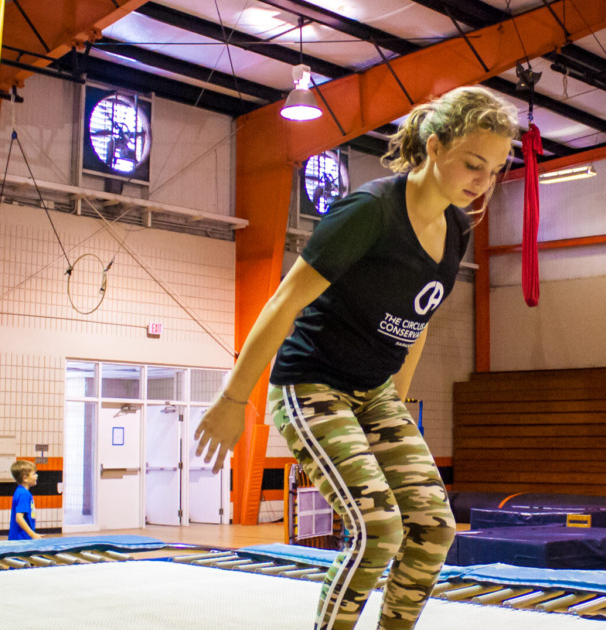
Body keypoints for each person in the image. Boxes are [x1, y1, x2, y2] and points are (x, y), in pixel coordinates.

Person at [194, 86, 518, 630]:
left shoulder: (457, 229)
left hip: (374, 393)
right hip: (312, 384)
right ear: (435, 146)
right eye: (472, 164)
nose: (482, 182)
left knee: (434, 529)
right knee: (379, 530)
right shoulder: (371, 212)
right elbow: (283, 303)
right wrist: (233, 400)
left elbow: (417, 321)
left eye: (494, 170)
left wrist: (395, 413)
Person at [8, 459, 42, 541]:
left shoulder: (20, 491)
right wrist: (33, 534)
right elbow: (19, 518)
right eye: (34, 474)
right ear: (25, 478)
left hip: (20, 538)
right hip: (21, 539)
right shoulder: (24, 494)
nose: (36, 476)